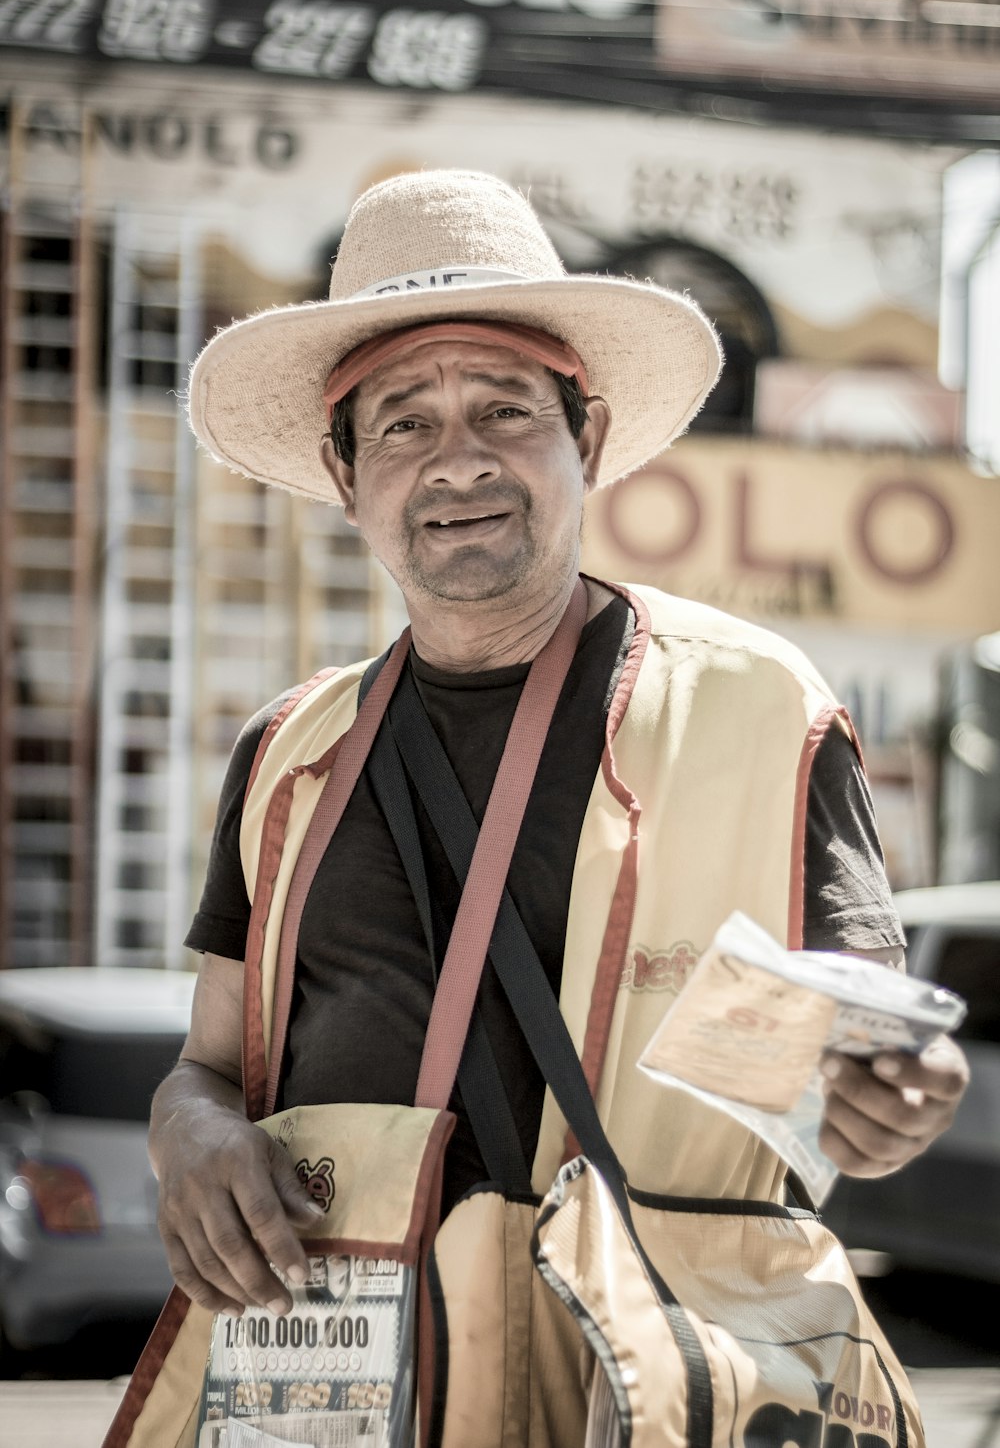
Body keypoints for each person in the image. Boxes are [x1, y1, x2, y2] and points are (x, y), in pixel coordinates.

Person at [150, 168, 967, 1418]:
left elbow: (864, 1062)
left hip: (643, 1387)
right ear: (344, 468)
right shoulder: (287, 753)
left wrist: (892, 1101)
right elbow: (208, 1066)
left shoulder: (759, 708)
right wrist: (191, 1135)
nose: (455, 459)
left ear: (582, 437)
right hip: (341, 1386)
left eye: (504, 409)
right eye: (404, 422)